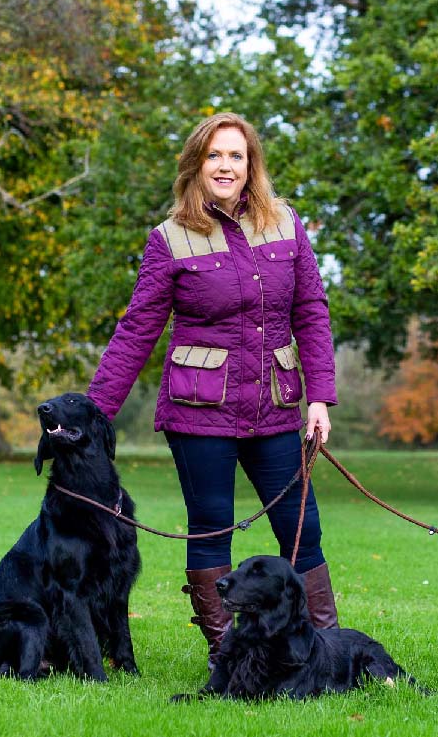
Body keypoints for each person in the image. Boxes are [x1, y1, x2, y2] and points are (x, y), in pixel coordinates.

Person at [86, 111, 338, 670]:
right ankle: (227, 655)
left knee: (303, 528)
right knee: (212, 528)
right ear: (197, 166)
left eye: (237, 156)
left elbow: (312, 313)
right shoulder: (169, 239)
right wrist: (93, 414)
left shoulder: (286, 224)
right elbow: (137, 331)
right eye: (215, 155)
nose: (226, 165)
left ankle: (320, 648)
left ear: (252, 167)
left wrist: (318, 397)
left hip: (275, 409)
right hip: (199, 415)